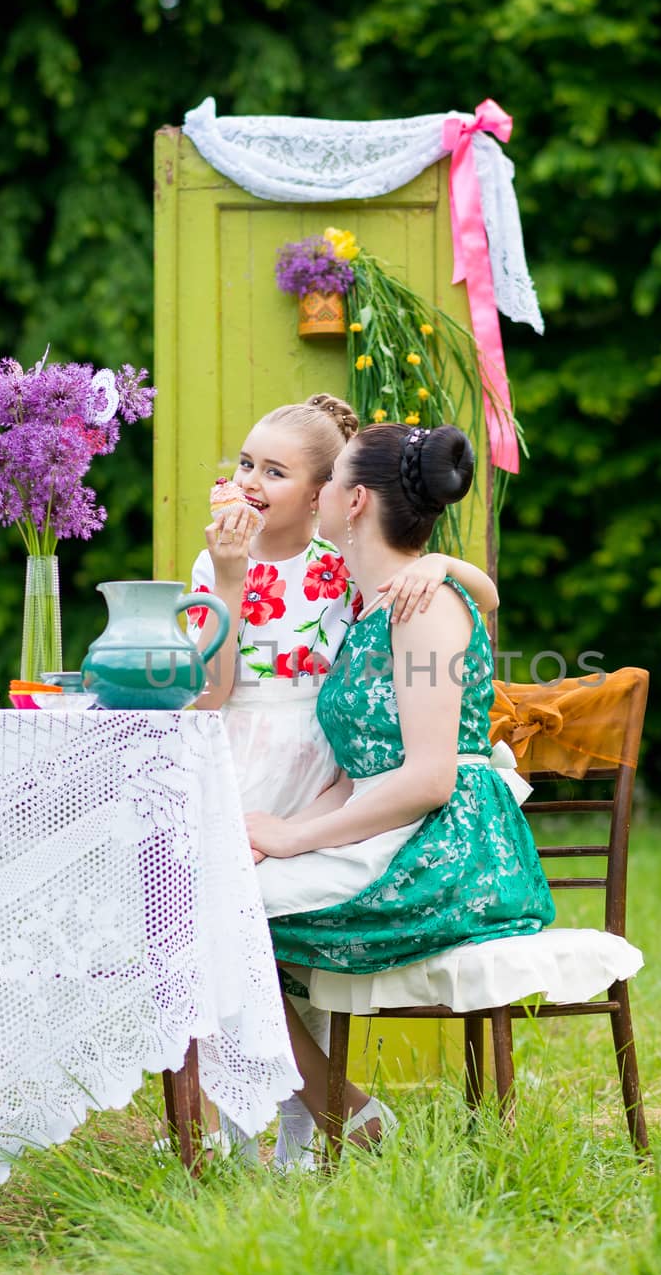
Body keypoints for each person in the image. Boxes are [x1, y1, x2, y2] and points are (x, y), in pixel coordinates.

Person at [245, 422, 639, 1149]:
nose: (323, 492)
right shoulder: (375, 609)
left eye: (330, 482)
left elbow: (428, 779)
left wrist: (295, 837)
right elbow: (367, 769)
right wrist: (272, 836)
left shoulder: (427, 611)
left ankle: (342, 1117)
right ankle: (336, 1115)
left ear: (355, 501)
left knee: (220, 925)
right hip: (394, 834)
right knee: (218, 905)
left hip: (448, 854)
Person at [188, 396, 499, 1165]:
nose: (251, 481)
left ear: (336, 495)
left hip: (328, 769)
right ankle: (260, 1128)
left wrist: (442, 563)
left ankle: (316, 1121)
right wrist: (229, 579)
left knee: (263, 942)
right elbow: (209, 688)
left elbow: (461, 615)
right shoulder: (222, 560)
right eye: (245, 464)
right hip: (264, 760)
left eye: (277, 471)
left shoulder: (360, 572)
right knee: (216, 919)